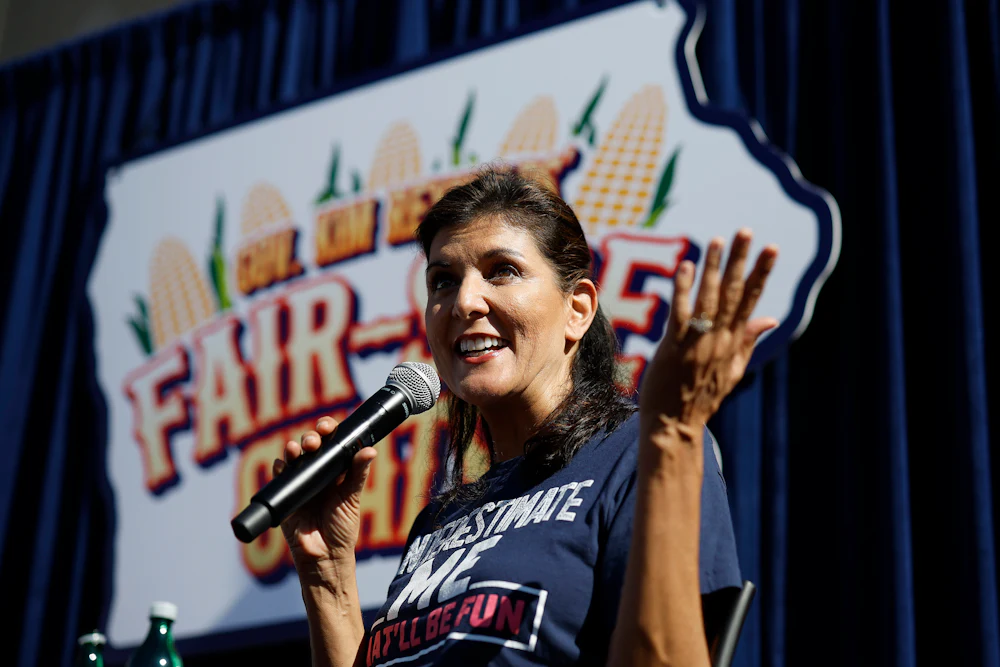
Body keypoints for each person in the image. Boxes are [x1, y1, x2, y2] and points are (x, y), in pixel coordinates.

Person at [274, 167, 778, 666]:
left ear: (577, 309)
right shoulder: (437, 522)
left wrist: (671, 432)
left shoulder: (635, 452)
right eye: (443, 281)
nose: (464, 302)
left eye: (502, 271)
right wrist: (327, 575)